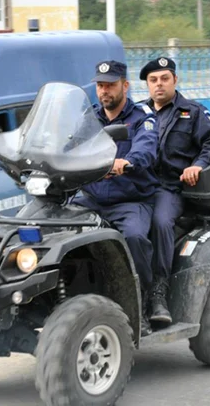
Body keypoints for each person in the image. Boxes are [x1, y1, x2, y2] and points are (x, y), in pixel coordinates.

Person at [138, 57, 210, 326]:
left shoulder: (192, 112)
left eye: (164, 79)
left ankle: (158, 291)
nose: (159, 85)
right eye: (153, 80)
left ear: (175, 80)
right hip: (138, 186)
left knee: (160, 221)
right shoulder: (138, 113)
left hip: (170, 188)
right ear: (146, 84)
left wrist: (198, 165)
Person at [72, 60, 160, 336]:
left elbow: (146, 149)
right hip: (92, 198)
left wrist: (126, 162)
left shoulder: (143, 117)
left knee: (134, 237)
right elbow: (69, 145)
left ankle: (142, 305)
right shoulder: (90, 119)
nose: (104, 91)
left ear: (125, 85)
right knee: (51, 228)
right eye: (100, 85)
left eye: (110, 85)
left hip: (130, 200)